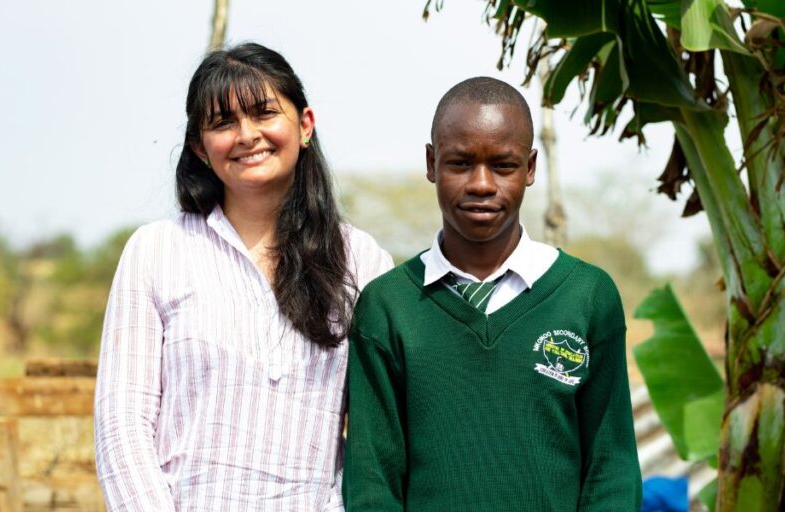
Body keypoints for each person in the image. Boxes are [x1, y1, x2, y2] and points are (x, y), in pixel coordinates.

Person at [94, 42, 393, 510]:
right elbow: (121, 427)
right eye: (223, 122)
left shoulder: (363, 261)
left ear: (305, 125)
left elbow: (378, 437)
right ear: (199, 146)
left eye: (263, 113)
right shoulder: (156, 252)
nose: (247, 134)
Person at [343, 77, 641, 511]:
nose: (482, 184)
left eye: (503, 165)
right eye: (460, 163)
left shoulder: (586, 296)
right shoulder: (388, 307)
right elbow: (373, 481)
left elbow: (611, 465)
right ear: (431, 162)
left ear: (531, 167)